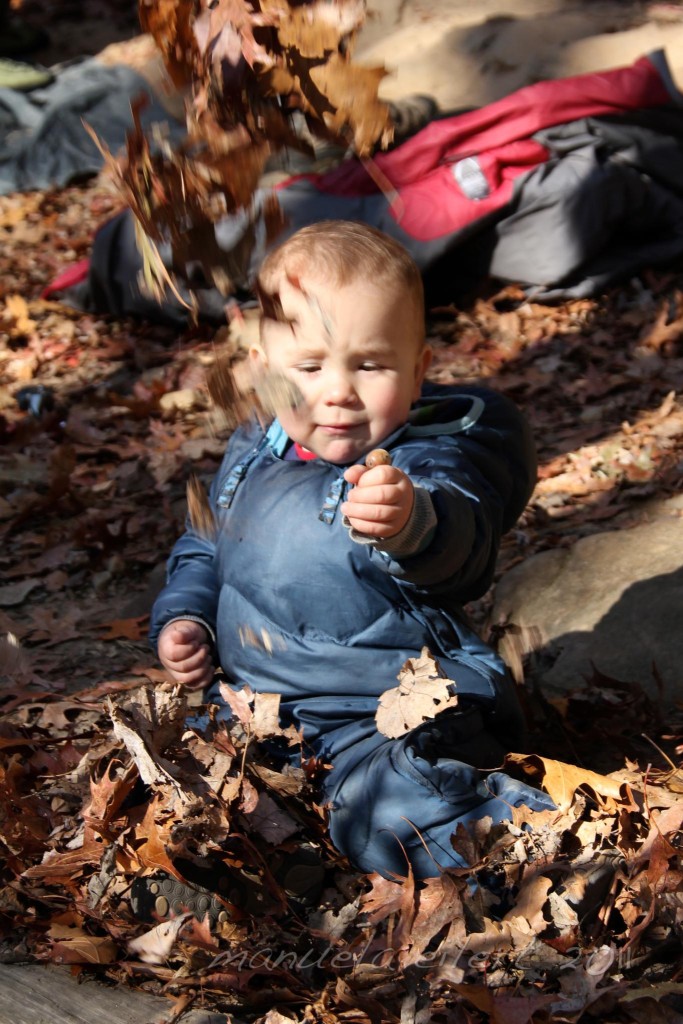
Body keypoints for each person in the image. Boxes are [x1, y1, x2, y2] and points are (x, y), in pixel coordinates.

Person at [149, 220, 553, 887]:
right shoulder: (255, 449)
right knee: (191, 796)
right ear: (263, 372)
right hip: (256, 709)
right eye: (308, 367)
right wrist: (182, 618)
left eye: (369, 364)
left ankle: (533, 852)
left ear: (419, 369)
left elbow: (463, 539)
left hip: (387, 717)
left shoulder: (423, 461)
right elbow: (205, 545)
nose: (337, 390)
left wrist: (412, 522)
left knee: (393, 814)